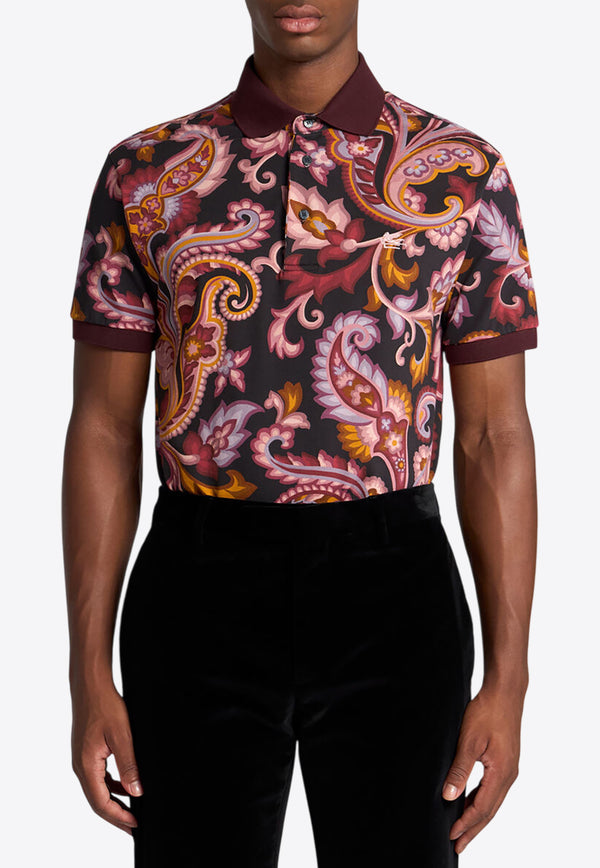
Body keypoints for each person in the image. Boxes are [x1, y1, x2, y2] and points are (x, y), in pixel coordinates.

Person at [62, 1, 539, 866]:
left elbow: (493, 436)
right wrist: (86, 671)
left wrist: (510, 680)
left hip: (396, 592)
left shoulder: (464, 174)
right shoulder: (146, 170)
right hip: (197, 592)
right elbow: (100, 426)